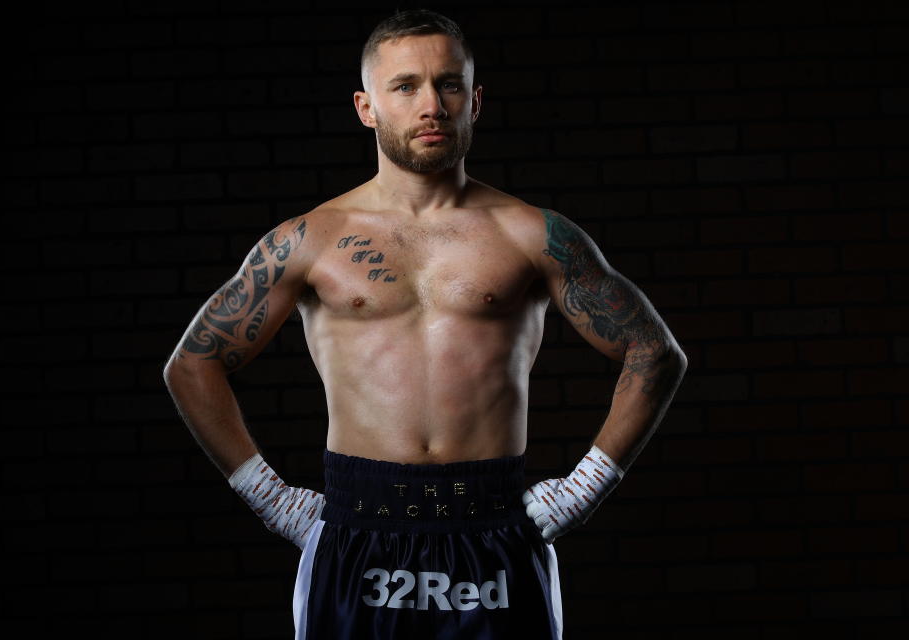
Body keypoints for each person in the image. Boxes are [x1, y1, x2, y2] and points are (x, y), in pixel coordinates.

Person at [163, 8, 686, 640]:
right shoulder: (312, 239)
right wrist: (273, 502)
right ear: (367, 107)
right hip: (356, 526)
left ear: (476, 99)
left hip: (492, 525)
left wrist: (585, 489)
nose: (431, 104)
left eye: (450, 84)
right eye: (405, 86)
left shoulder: (530, 233)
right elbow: (193, 362)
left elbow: (653, 351)